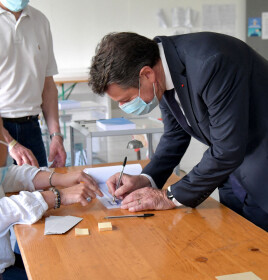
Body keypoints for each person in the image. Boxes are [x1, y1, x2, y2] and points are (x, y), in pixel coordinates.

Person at [89, 32, 268, 232]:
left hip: (261, 168)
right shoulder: (162, 70)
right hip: (231, 171)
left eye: (126, 99)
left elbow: (227, 149)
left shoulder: (211, 63)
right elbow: (175, 135)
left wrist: (168, 196)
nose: (123, 106)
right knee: (235, 243)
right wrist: (146, 179)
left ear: (147, 74)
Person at [0, 70, 102, 280]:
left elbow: (6, 174)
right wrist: (56, 196)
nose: (8, 140)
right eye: (1, 130)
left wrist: (55, 178)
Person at [0, 0, 66, 168]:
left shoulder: (40, 20)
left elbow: (48, 85)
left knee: (41, 191)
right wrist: (10, 143)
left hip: (32, 127)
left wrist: (55, 135)